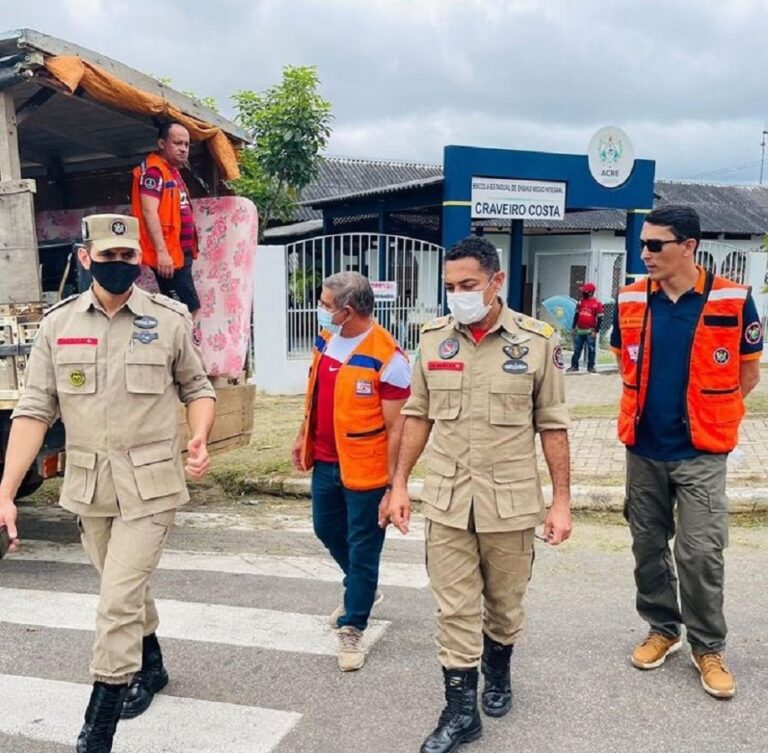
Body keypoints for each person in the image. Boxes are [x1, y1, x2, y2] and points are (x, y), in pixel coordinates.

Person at [0, 214, 216, 752]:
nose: (118, 265)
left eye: (127, 257)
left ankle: (97, 732)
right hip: (90, 484)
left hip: (152, 485)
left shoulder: (168, 319)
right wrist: (5, 491)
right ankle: (154, 664)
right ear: (84, 257)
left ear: (138, 260)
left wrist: (200, 436)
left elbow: (198, 386)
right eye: (107, 256)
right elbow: (34, 409)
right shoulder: (58, 324)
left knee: (115, 602)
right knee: (121, 584)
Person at [385, 237, 572, 753]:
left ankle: (500, 669)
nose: (458, 295)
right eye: (450, 287)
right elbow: (416, 415)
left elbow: (553, 426)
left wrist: (561, 501)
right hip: (447, 499)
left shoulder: (537, 342)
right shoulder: (432, 339)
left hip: (509, 502)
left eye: (468, 285)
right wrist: (398, 483)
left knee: (505, 605)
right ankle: (461, 710)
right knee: (454, 608)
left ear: (496, 282)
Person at [612, 205, 762, 699]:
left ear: (689, 246)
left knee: (700, 552)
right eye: (643, 244)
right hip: (644, 448)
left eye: (656, 245)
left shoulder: (734, 299)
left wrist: (710, 414)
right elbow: (623, 361)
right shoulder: (631, 299)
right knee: (647, 546)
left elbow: (747, 372)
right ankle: (662, 628)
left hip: (701, 451)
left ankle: (708, 646)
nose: (645, 253)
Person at [291, 271, 410, 672]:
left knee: (364, 547)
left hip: (367, 470)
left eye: (326, 305)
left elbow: (398, 427)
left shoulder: (389, 358)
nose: (321, 311)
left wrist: (395, 485)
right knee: (325, 529)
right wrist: (301, 436)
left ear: (348, 310)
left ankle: (354, 623)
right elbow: (316, 396)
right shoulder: (326, 341)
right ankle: (363, 588)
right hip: (326, 459)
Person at [131, 121, 201, 317]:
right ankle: (182, 347)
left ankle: (181, 346)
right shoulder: (154, 172)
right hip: (169, 254)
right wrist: (162, 253)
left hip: (179, 253)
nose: (183, 149)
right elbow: (149, 212)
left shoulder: (171, 170)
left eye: (186, 145)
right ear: (162, 143)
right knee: (184, 310)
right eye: (177, 143)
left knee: (182, 309)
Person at [567, 281, 604, 373]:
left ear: (591, 292)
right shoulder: (580, 302)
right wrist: (573, 327)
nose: (583, 293)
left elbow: (600, 318)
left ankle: (590, 366)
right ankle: (574, 366)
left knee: (591, 349)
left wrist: (596, 330)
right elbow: (576, 315)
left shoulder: (597, 303)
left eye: (585, 291)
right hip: (579, 330)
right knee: (577, 349)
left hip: (590, 330)